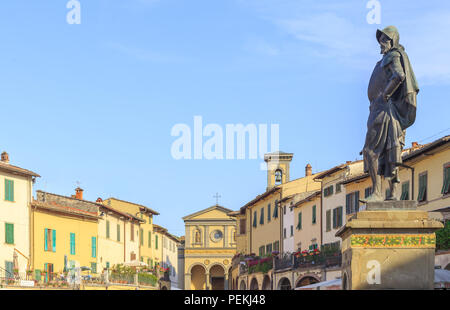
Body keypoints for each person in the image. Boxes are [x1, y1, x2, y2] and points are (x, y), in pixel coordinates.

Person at [362, 26, 419, 202]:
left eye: (385, 40)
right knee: (388, 151)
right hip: (380, 109)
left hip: (383, 110)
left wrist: (384, 95)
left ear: (393, 41)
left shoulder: (392, 56)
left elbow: (399, 75)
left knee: (371, 151)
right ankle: (393, 193)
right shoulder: (384, 60)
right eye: (380, 40)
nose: (381, 43)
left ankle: (377, 193)